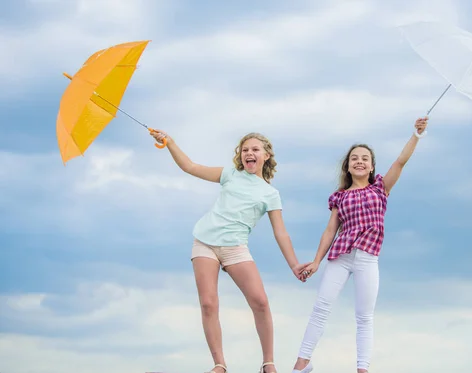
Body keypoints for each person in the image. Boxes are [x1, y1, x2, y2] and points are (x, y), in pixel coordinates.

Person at [150, 130, 311, 373]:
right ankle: (219, 365)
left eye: (255, 150)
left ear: (266, 156)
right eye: (245, 149)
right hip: (205, 242)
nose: (249, 153)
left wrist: (294, 265)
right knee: (208, 303)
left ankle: (268, 363)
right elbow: (190, 167)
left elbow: (281, 233)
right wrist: (170, 142)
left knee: (260, 301)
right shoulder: (230, 175)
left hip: (235, 247)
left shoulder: (270, 194)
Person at [290, 117, 429, 373]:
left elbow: (400, 161)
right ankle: (301, 365)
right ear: (348, 166)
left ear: (372, 165)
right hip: (340, 256)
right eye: (355, 158)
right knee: (321, 307)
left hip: (367, 258)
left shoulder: (380, 188)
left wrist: (416, 135)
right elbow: (330, 230)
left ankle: (362, 369)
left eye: (365, 158)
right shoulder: (340, 196)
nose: (360, 161)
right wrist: (317, 261)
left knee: (364, 317)